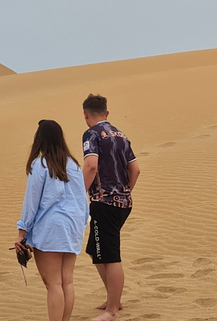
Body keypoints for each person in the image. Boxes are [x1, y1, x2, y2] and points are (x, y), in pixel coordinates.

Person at [15, 120, 90, 321]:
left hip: (50, 229)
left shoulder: (39, 165)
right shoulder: (73, 165)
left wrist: (22, 231)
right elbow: (82, 200)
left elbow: (31, 202)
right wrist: (80, 225)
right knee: (67, 282)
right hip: (72, 227)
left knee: (54, 284)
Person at [81, 94, 140, 321]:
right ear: (107, 113)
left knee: (110, 254)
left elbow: (91, 165)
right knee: (96, 251)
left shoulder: (92, 134)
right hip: (123, 203)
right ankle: (113, 299)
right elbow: (135, 170)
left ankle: (112, 310)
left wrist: (79, 195)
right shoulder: (121, 135)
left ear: (85, 114)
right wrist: (125, 193)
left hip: (103, 202)